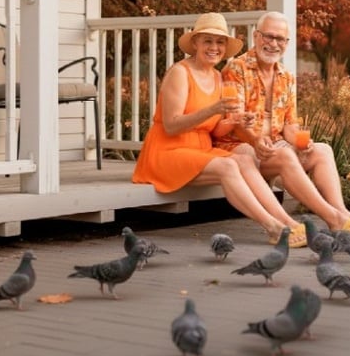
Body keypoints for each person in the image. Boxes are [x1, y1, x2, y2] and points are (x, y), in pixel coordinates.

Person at [132, 13, 309, 247]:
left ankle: (287, 221)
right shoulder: (180, 73)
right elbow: (172, 124)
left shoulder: (217, 76)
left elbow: (216, 128)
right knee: (228, 165)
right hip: (167, 151)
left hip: (200, 150)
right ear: (195, 43)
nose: (214, 47)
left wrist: (238, 121)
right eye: (207, 41)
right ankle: (272, 226)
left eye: (220, 42)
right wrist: (212, 109)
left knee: (243, 161)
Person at [214, 12, 350, 238]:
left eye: (280, 39)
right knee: (285, 156)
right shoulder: (237, 69)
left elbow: (290, 125)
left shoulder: (287, 77)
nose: (274, 44)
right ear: (256, 36)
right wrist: (256, 140)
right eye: (268, 37)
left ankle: (342, 214)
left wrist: (303, 143)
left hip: (273, 147)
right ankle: (333, 218)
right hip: (240, 148)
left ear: (287, 43)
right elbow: (235, 122)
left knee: (322, 150)